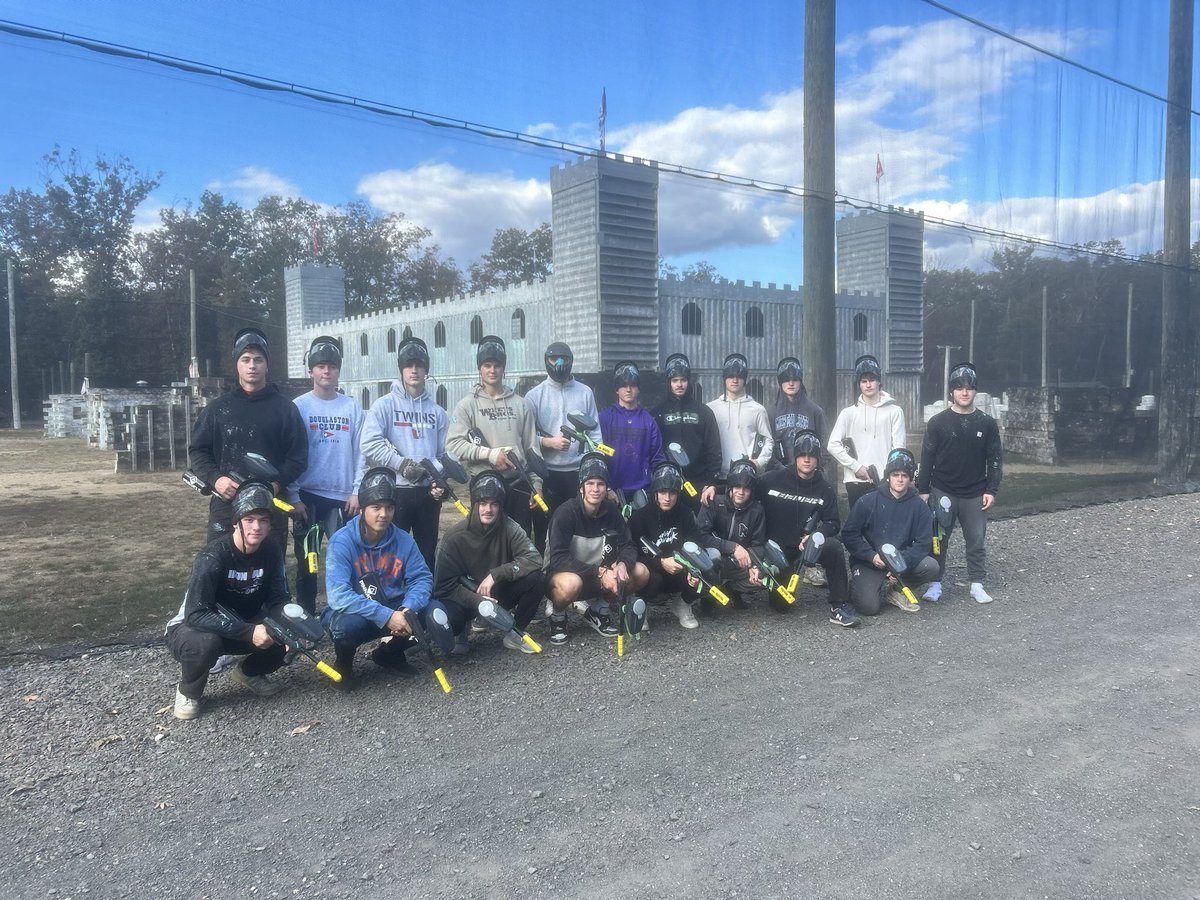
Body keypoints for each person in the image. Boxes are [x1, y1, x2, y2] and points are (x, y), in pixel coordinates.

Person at [166, 481, 291, 720]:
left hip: (242, 621)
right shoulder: (212, 556)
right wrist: (249, 632)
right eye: (249, 520)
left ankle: (248, 673)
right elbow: (196, 614)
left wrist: (290, 627)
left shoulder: (272, 550)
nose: (257, 527)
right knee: (206, 644)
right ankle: (189, 691)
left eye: (264, 520)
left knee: (286, 635)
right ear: (236, 523)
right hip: (192, 626)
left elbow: (280, 597)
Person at [187, 327, 308, 551]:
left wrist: (276, 484)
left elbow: (298, 457)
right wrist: (216, 479)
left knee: (268, 571)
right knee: (220, 565)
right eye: (246, 359)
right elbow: (198, 451)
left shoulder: (285, 410)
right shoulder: (218, 409)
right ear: (237, 364)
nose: (252, 365)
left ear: (267, 364)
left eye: (258, 360)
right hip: (227, 505)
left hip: (270, 507)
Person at [321, 467, 437, 688]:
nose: (383, 514)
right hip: (356, 611)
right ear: (363, 509)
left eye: (389, 508)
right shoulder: (341, 541)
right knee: (344, 628)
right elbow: (337, 596)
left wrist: (407, 610)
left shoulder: (404, 540)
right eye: (376, 507)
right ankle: (343, 664)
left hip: (394, 606)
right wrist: (386, 616)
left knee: (434, 612)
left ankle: (389, 653)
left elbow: (422, 579)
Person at [288, 335, 364, 614]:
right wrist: (294, 495)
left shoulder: (352, 407)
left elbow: (361, 453)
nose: (326, 371)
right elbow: (292, 454)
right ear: (311, 370)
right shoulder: (298, 406)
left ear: (338, 370)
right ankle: (306, 613)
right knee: (308, 559)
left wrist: (357, 490)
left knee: (344, 558)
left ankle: (345, 609)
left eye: (332, 365)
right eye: (320, 365)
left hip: (342, 498)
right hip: (307, 496)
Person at [433, 469, 547, 654]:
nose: (488, 509)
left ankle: (515, 635)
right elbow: (442, 587)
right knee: (450, 617)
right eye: (483, 503)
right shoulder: (453, 537)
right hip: (466, 598)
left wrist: (497, 574)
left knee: (538, 579)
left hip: (496, 593)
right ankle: (461, 632)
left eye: (494, 504)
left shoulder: (510, 527)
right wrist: (476, 600)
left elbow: (534, 559)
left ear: (501, 506)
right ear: (475, 504)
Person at [916, 362, 1003, 604]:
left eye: (969, 388)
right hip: (942, 490)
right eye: (959, 388)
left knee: (976, 539)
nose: (964, 392)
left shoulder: (986, 423)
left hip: (975, 493)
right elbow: (927, 458)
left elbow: (995, 459)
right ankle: (935, 583)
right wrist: (923, 490)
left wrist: (991, 489)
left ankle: (977, 583)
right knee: (938, 541)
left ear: (975, 391)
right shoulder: (937, 423)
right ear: (951, 392)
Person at [361, 336, 450, 569]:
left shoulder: (438, 412)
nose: (414, 370)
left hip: (427, 495)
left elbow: (443, 455)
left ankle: (425, 601)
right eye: (409, 365)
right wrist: (401, 464)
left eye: (419, 365)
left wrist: (436, 477)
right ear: (401, 369)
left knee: (426, 553)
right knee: (391, 553)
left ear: (426, 370)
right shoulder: (384, 405)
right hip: (395, 492)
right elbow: (369, 443)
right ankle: (392, 601)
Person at [757, 429, 860, 627]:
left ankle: (839, 605)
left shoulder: (825, 488)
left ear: (818, 459)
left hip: (806, 549)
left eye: (812, 456)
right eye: (802, 455)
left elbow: (833, 523)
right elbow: (743, 493)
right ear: (796, 457)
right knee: (781, 606)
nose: (806, 460)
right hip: (776, 554)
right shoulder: (771, 479)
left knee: (833, 547)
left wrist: (817, 534)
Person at [545, 452, 650, 644]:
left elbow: (628, 544)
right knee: (570, 584)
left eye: (600, 484)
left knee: (641, 572)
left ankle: (599, 610)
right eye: (590, 484)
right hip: (566, 575)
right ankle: (557, 616)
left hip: (598, 574)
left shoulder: (611, 511)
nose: (595, 489)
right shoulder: (565, 513)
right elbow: (558, 559)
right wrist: (600, 572)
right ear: (581, 487)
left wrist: (623, 565)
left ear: (607, 487)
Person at [446, 335, 543, 534]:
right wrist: (490, 454)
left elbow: (532, 449)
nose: (492, 370)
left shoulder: (521, 404)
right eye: (487, 365)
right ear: (479, 369)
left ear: (504, 368)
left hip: (519, 486)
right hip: (484, 487)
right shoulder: (467, 405)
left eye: (497, 365)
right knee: (484, 545)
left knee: (519, 544)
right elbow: (453, 445)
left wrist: (537, 485)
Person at [525, 341, 604, 551]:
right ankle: (546, 576)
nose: (559, 364)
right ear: (546, 361)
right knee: (544, 529)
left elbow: (595, 434)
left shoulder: (585, 392)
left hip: (577, 473)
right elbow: (526, 439)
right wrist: (548, 442)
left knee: (578, 528)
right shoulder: (534, 396)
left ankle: (578, 575)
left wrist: (595, 467)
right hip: (546, 474)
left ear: (571, 361)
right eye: (554, 359)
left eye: (565, 359)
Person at [841, 447, 938, 616]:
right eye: (895, 475)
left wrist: (900, 562)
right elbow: (849, 534)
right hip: (869, 562)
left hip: (900, 563)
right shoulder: (867, 501)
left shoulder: (920, 508)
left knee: (931, 566)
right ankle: (863, 585)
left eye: (904, 475)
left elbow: (923, 545)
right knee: (869, 608)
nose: (900, 479)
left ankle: (895, 589)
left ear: (910, 478)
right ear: (888, 476)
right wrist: (870, 556)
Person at [629, 461, 703, 629]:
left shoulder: (685, 514)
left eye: (672, 493)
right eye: (662, 492)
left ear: (678, 493)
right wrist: (660, 562)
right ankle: (641, 608)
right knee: (649, 576)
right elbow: (632, 553)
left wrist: (687, 564)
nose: (667, 498)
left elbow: (696, 543)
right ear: (655, 492)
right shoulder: (639, 518)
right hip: (653, 573)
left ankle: (683, 604)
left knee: (707, 569)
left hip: (680, 569)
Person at [827, 354, 907, 509]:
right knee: (859, 528)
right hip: (855, 482)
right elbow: (832, 444)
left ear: (879, 382)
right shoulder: (848, 413)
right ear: (859, 384)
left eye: (872, 380)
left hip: (885, 482)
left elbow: (899, 448)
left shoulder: (895, 411)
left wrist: (890, 474)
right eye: (864, 381)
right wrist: (856, 467)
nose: (868, 385)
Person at [651, 352, 722, 508]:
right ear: (669, 383)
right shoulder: (657, 413)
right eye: (675, 380)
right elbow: (652, 450)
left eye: (683, 380)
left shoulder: (704, 412)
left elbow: (714, 449)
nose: (679, 384)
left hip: (699, 484)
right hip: (667, 485)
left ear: (689, 382)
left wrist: (711, 482)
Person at [696, 458, 769, 609]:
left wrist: (753, 565)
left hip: (738, 563)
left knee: (767, 572)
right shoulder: (713, 501)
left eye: (746, 488)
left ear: (752, 490)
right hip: (715, 559)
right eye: (737, 486)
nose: (741, 492)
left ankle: (732, 589)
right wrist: (733, 547)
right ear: (730, 486)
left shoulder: (757, 510)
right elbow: (701, 537)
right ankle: (708, 594)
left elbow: (759, 545)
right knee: (711, 559)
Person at [599, 360, 665, 497]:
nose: (628, 390)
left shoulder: (649, 421)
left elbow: (657, 458)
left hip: (643, 491)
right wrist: (607, 487)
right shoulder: (605, 418)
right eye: (623, 386)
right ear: (616, 389)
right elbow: (598, 454)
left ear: (638, 388)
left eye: (633, 385)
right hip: (612, 492)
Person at [707, 353, 774, 476]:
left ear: (745, 379)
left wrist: (758, 463)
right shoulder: (710, 409)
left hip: (747, 477)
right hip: (718, 477)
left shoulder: (758, 409)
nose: (735, 380)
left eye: (739, 376)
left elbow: (768, 441)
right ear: (724, 378)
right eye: (730, 376)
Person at [767, 357, 828, 470]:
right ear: (780, 383)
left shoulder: (815, 411)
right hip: (779, 474)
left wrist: (815, 466)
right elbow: (766, 446)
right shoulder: (770, 413)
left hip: (808, 475)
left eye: (795, 379)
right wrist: (778, 468)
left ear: (800, 381)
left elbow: (825, 444)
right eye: (786, 380)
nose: (791, 383)